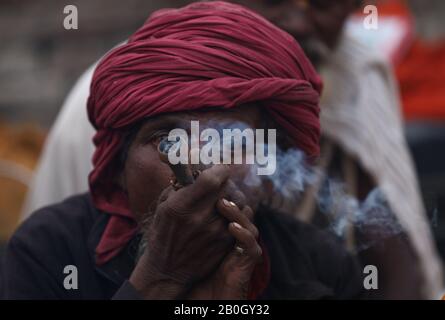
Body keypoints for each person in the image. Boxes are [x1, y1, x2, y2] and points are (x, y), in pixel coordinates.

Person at [20, 0, 442, 298]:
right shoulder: (49, 253)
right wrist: (162, 277)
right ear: (116, 167)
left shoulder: (320, 264)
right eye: (168, 140)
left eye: (233, 141)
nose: (201, 167)